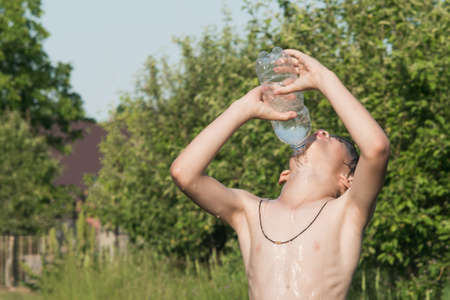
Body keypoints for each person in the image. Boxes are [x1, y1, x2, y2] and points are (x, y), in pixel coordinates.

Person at [170, 49, 389, 300]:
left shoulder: (347, 212)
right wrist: (241, 109)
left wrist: (324, 80)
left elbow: (376, 149)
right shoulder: (249, 212)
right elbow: (183, 173)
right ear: (285, 174)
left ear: (347, 180)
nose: (321, 132)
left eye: (333, 138)